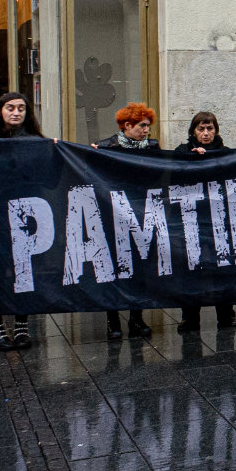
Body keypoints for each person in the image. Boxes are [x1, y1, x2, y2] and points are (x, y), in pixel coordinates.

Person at [0, 91, 42, 349]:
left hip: (26, 212)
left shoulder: (35, 141)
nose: (16, 113)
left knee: (24, 270)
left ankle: (22, 326)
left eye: (21, 108)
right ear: (0, 110)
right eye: (10, 108)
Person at [94, 103, 159, 339]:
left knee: (139, 265)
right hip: (114, 214)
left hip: (141, 213)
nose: (146, 131)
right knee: (113, 267)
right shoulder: (105, 146)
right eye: (142, 126)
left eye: (147, 126)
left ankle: (136, 318)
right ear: (127, 125)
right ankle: (112, 320)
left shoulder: (152, 147)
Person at [171, 112, 236, 333]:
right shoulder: (182, 152)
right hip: (191, 220)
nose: (206, 133)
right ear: (193, 131)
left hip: (219, 220)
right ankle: (190, 317)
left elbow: (234, 178)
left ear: (216, 131)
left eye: (210, 129)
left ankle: (226, 314)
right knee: (192, 269)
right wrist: (192, 159)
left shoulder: (226, 154)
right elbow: (173, 177)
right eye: (201, 129)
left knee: (223, 267)